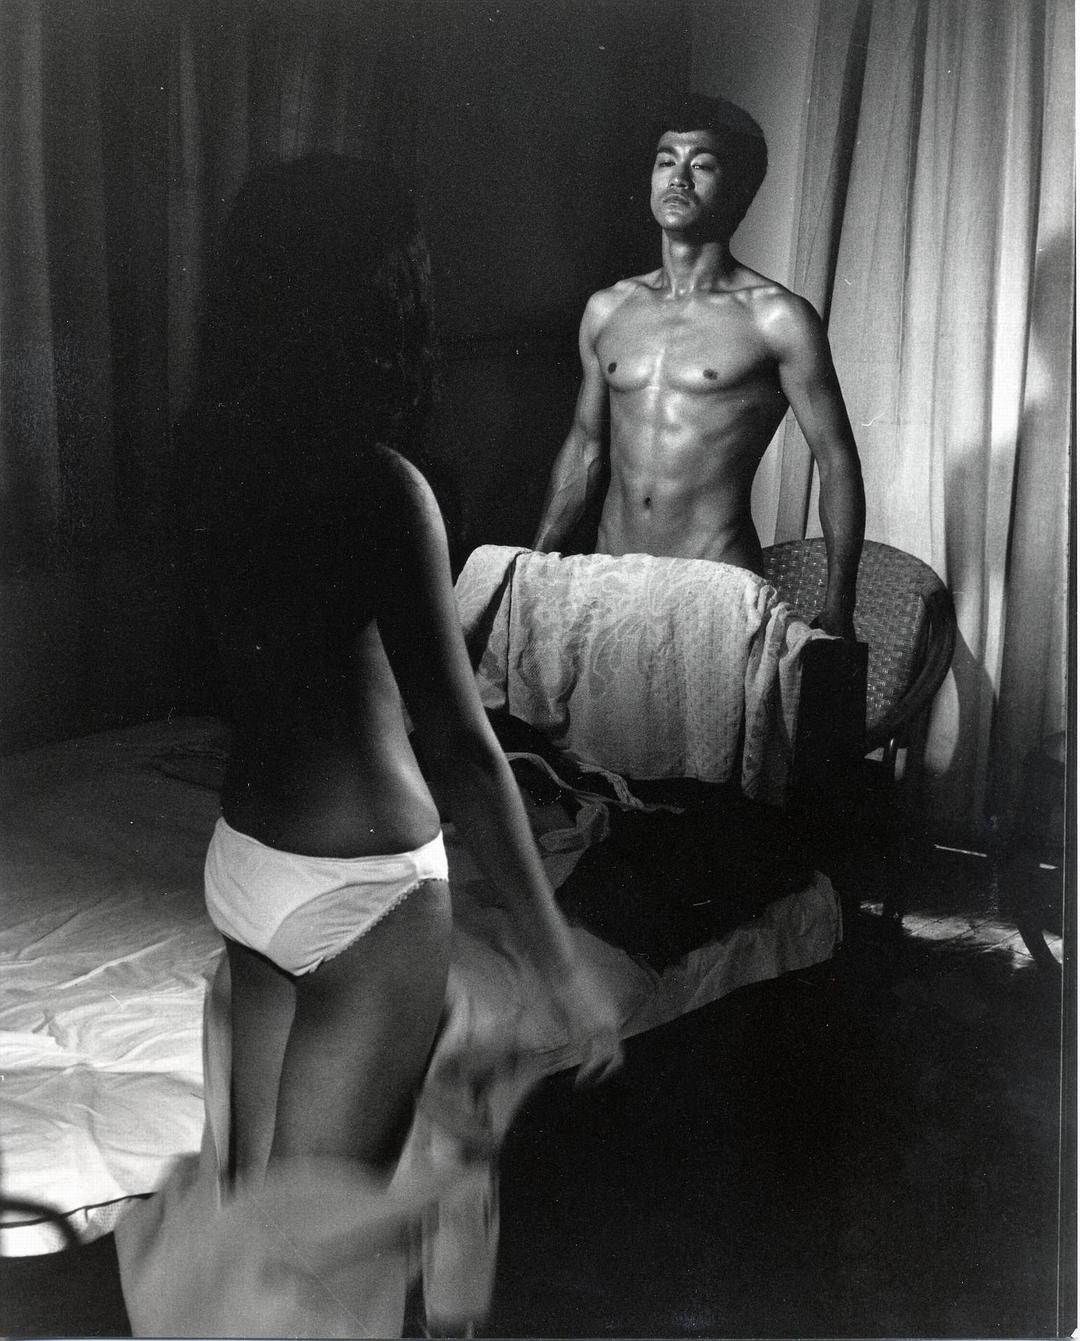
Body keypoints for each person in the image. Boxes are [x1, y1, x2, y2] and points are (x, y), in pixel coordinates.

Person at [178, 155, 621, 1196]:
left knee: (259, 1235)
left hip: (244, 864)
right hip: (364, 897)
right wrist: (559, 963)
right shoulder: (384, 490)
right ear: (381, 304)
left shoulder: (205, 455)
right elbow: (462, 746)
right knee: (311, 1251)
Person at [533, 95, 865, 639]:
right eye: (666, 161)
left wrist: (839, 607)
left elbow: (836, 462)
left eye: (702, 165)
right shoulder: (608, 308)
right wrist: (536, 563)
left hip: (714, 590)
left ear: (740, 191)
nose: (678, 178)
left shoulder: (777, 318)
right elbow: (585, 447)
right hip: (609, 580)